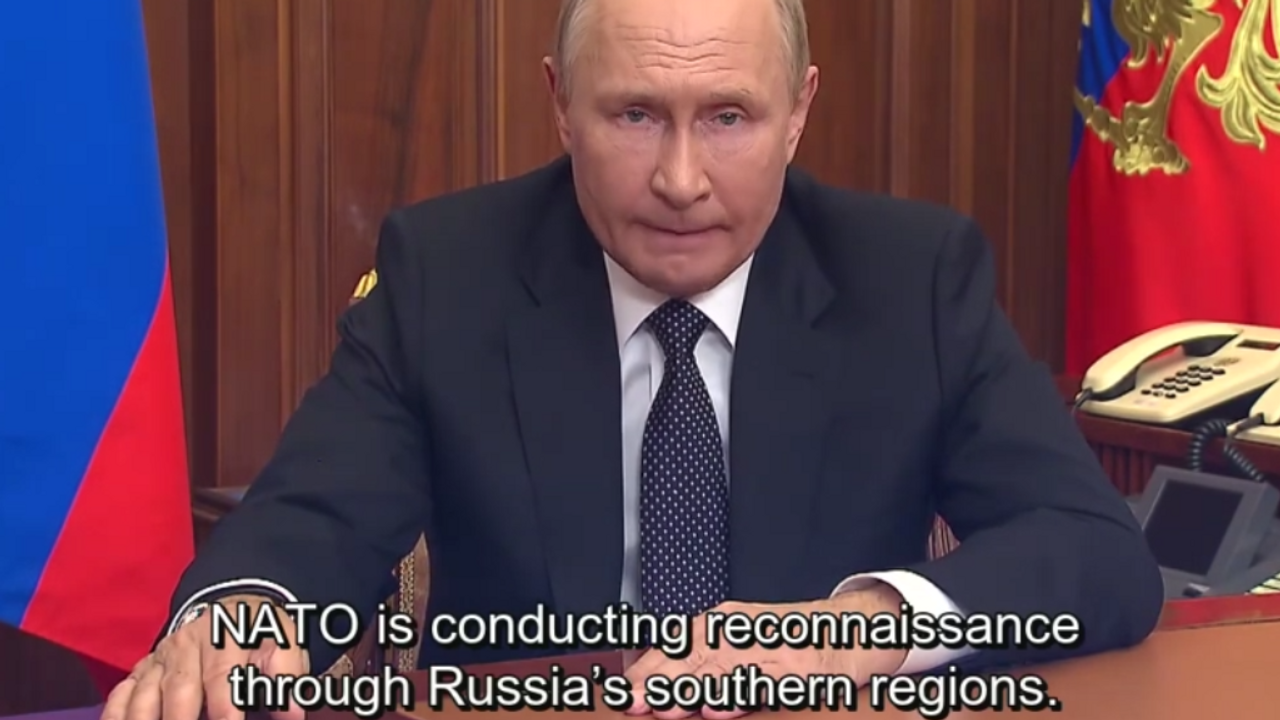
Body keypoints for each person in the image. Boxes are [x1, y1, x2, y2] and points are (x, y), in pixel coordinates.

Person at [104, 0, 1164, 718]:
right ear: (560, 103)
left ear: (798, 112)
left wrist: (861, 628)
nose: (680, 179)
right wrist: (235, 615)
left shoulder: (909, 279)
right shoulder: (449, 274)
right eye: (635, 114)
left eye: (729, 117)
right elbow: (314, 516)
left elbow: (1095, 552)